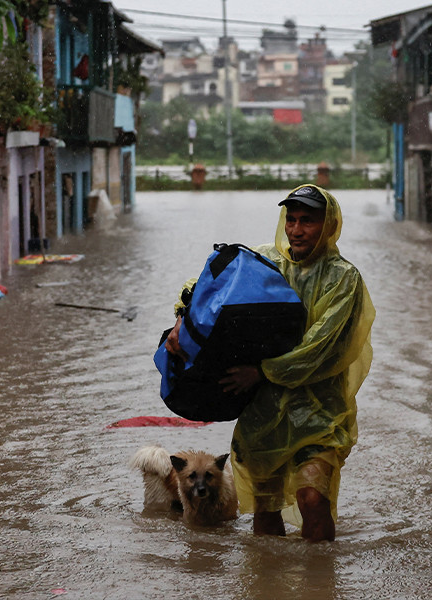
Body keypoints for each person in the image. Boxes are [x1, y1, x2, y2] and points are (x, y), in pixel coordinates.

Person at [164, 184, 375, 542]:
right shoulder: (265, 262)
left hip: (318, 412)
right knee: (264, 508)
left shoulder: (343, 278)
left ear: (329, 225)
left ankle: (320, 582)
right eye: (291, 219)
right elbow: (204, 284)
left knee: (312, 498)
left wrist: (261, 371)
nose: (296, 229)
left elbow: (319, 348)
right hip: (262, 412)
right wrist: (182, 318)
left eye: (307, 221)